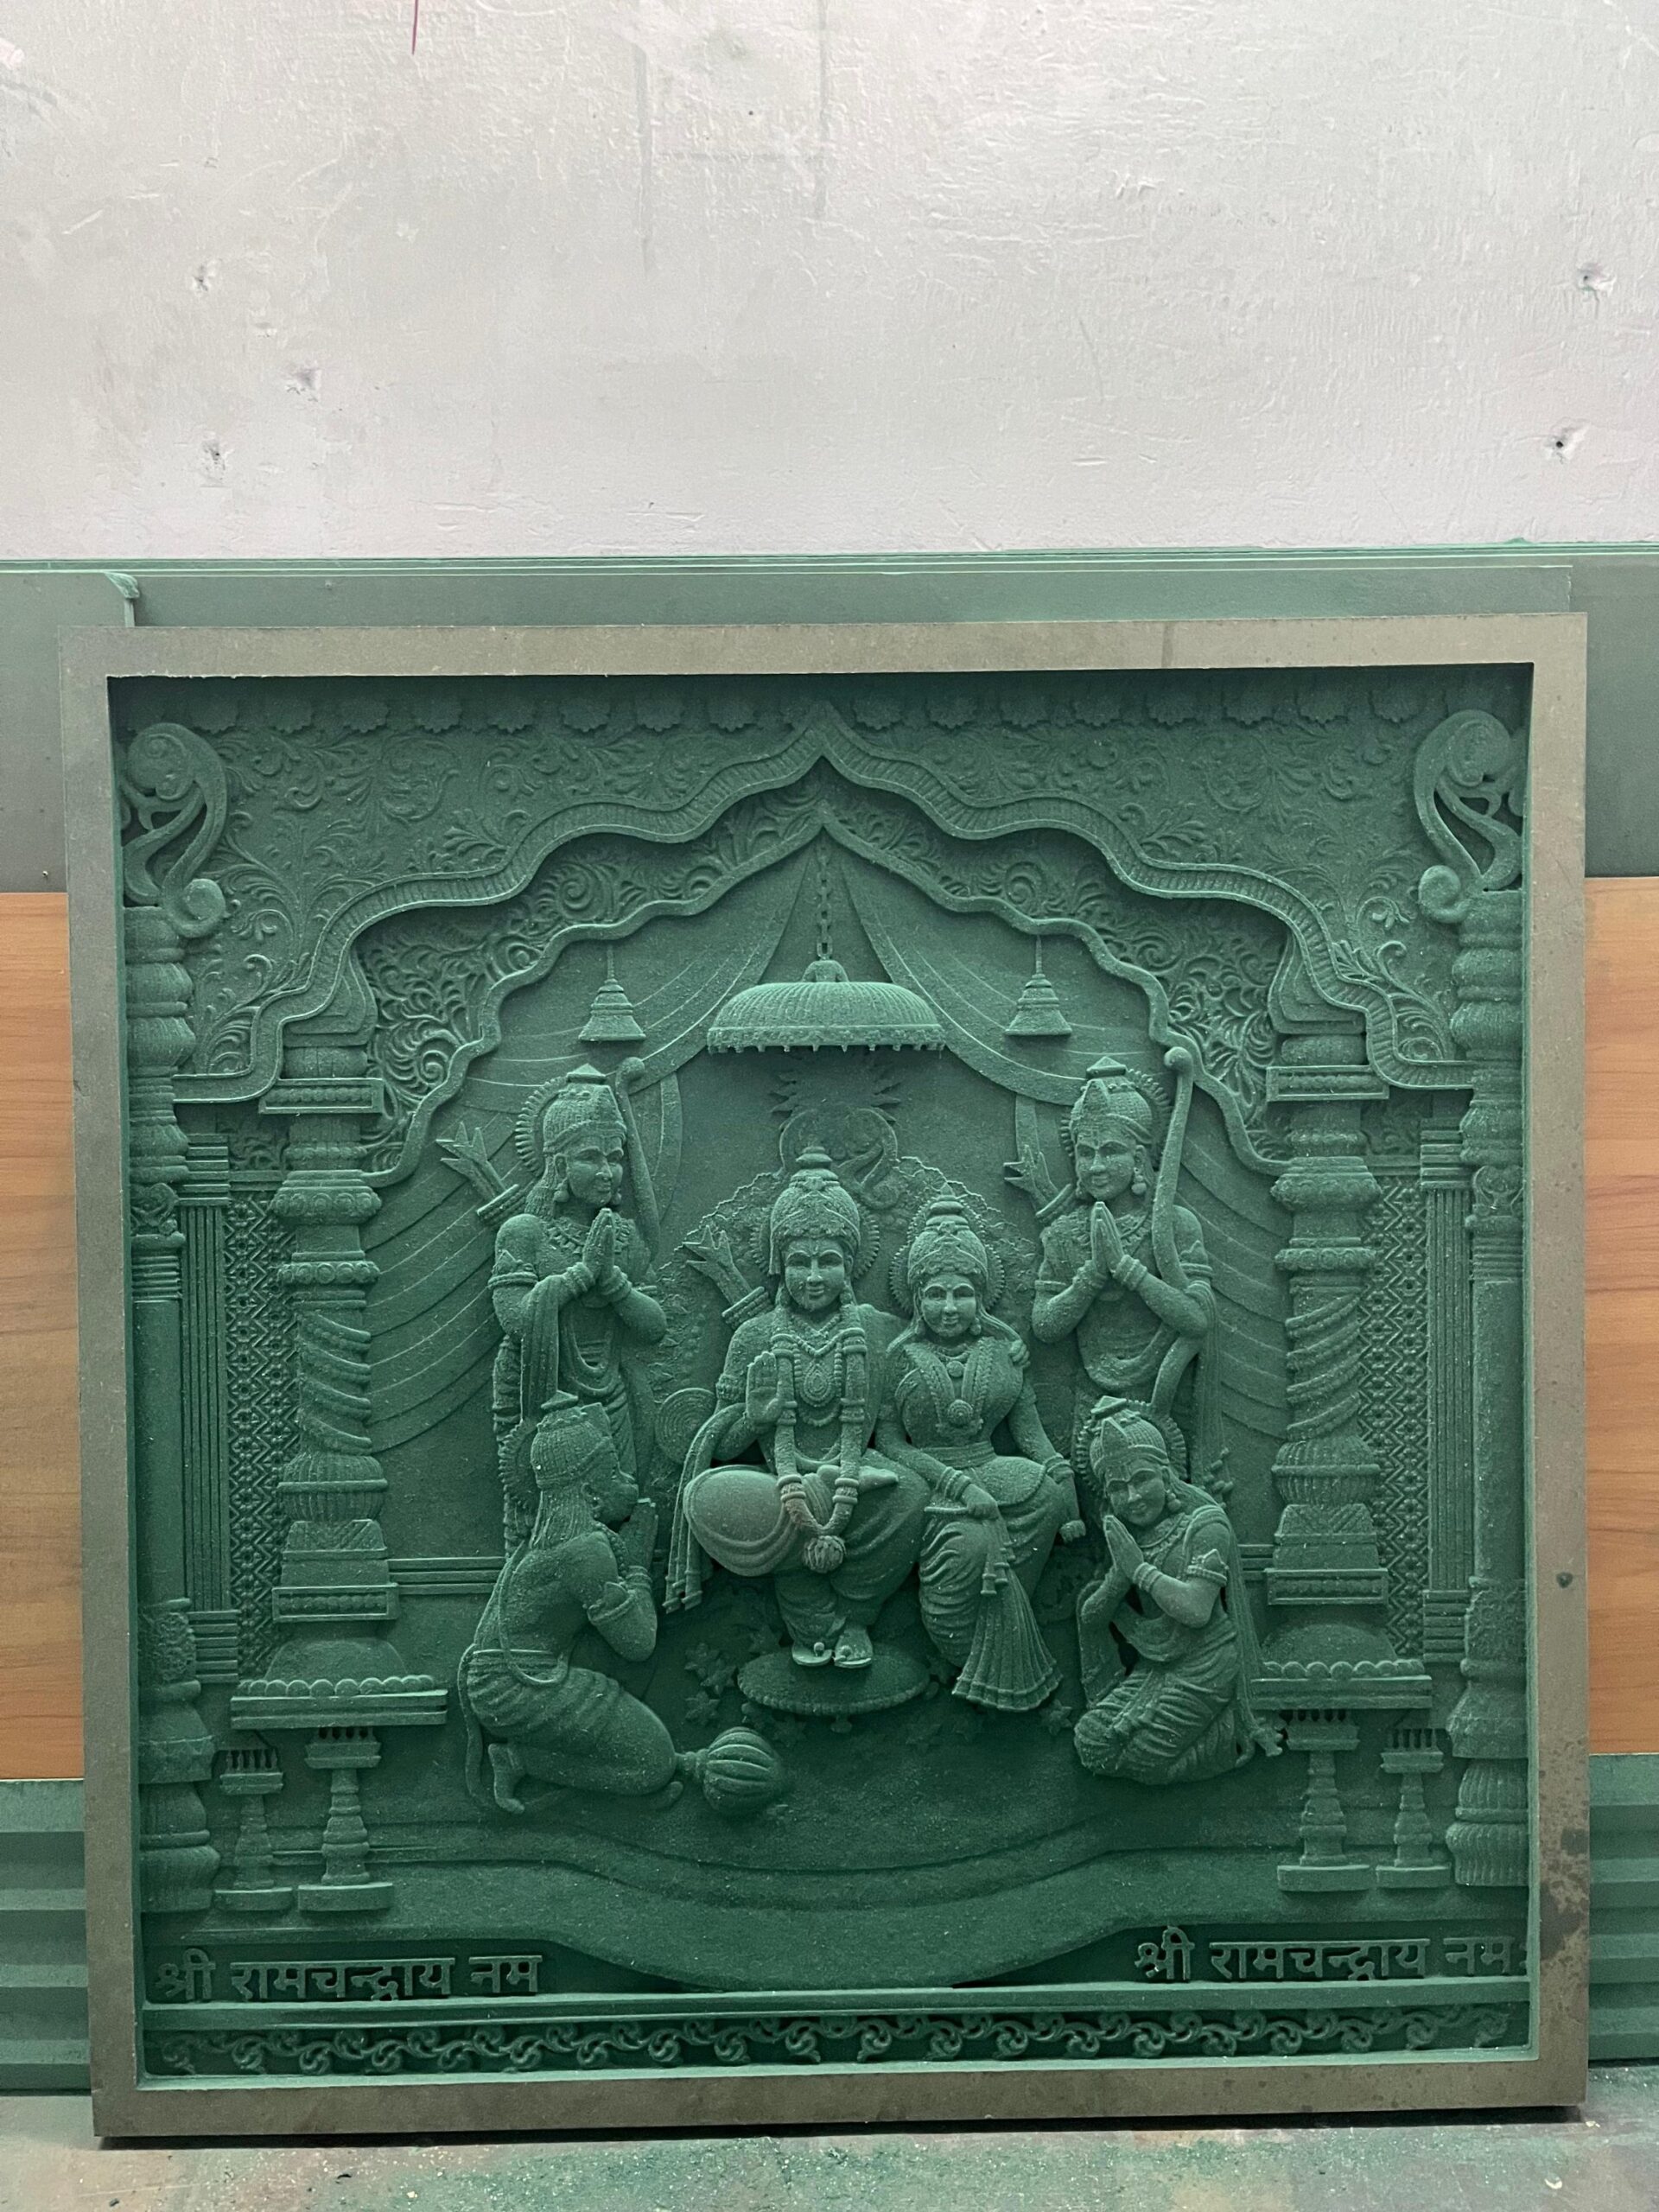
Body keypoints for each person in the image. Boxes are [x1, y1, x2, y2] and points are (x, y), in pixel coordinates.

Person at [666, 1152, 927, 1673]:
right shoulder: (755, 1336)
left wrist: (999, 1340)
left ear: (850, 1264)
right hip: (779, 1489)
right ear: (779, 1264)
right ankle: (815, 1619)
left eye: (828, 1261)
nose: (812, 1276)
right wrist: (755, 1419)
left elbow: (932, 1344)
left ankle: (855, 1615)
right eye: (798, 1262)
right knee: (708, 1495)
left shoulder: (876, 1329)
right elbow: (722, 1447)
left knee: (913, 1494)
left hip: (859, 1479)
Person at [877, 1200, 1084, 1711]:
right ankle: (967, 1648)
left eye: (962, 1294)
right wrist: (958, 1485)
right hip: (932, 1484)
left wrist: (1065, 1488)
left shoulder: (1002, 1355)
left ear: (982, 1298)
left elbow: (1031, 1435)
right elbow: (890, 1444)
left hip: (991, 1466)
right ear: (916, 1299)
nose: (949, 1308)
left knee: (1041, 1490)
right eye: (936, 1294)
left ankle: (1007, 1620)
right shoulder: (897, 1358)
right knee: (969, 1549)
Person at [490, 1065, 665, 1544]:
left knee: (617, 1510)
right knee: (547, 1521)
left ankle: (616, 1581)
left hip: (611, 1393)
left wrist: (613, 1282)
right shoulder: (526, 1233)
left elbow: (654, 1326)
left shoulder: (623, 1237)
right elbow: (516, 1319)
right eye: (591, 1157)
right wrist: (579, 1276)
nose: (607, 1171)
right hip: (541, 1393)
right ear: (558, 1165)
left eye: (615, 1157)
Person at [1030, 1054, 1220, 1486]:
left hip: (1165, 1394)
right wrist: (1093, 1275)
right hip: (1093, 1400)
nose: (1095, 1166)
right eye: (1085, 1153)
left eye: (1110, 1151)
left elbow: (1197, 1320)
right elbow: (1045, 1326)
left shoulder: (1173, 1226)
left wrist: (1127, 1270)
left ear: (1138, 1158)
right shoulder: (1064, 1233)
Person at [1071, 1400, 1275, 1784]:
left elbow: (1196, 1611)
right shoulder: (1129, 1538)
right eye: (1118, 1488)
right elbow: (1091, 1616)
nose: (1133, 1496)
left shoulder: (1205, 1525)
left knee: (1143, 1757)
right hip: (1156, 1665)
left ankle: (1229, 1737)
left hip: (1209, 1664)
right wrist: (1121, 1573)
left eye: (1142, 1479)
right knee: (1091, 1742)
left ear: (1166, 1477)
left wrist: (1140, 1570)